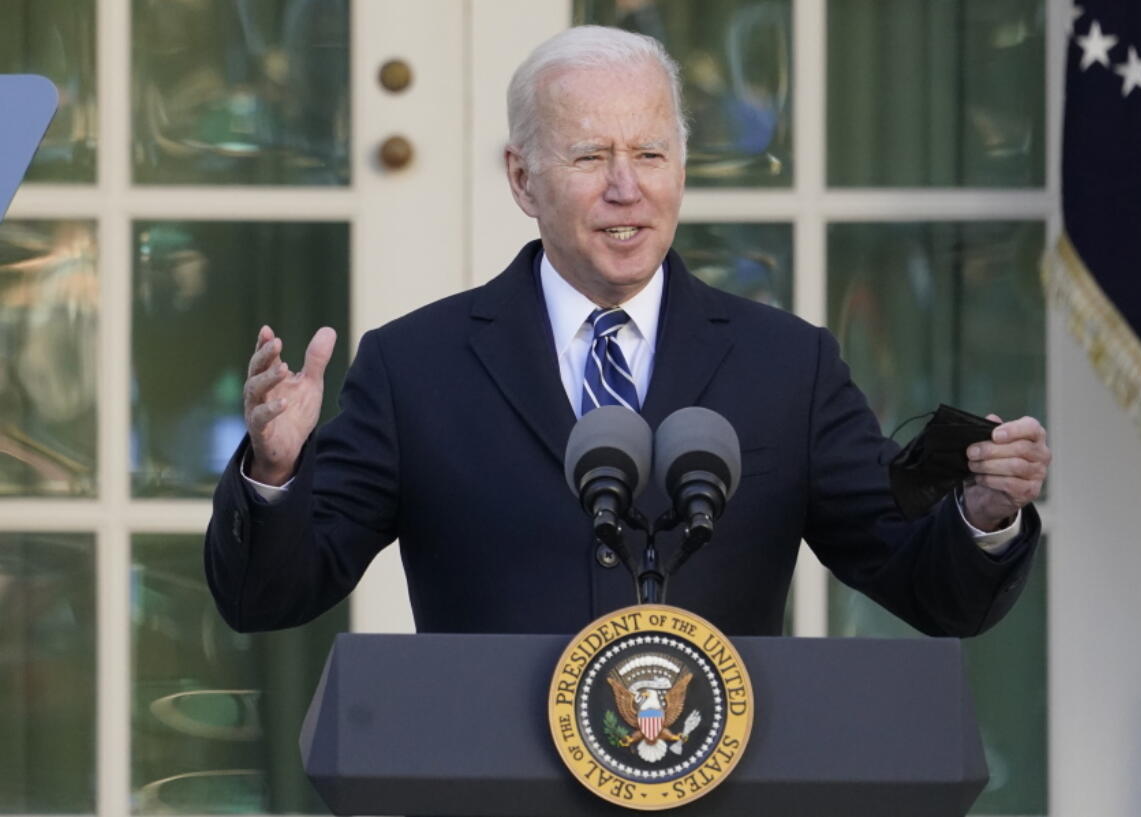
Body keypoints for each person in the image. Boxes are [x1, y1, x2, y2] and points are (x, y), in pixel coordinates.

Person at [205, 26, 1050, 638]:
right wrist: (275, 472)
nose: (625, 190)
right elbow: (268, 598)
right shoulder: (414, 365)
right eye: (587, 157)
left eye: (650, 155)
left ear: (681, 169)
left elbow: (926, 586)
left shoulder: (787, 365)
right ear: (522, 177)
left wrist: (981, 515)